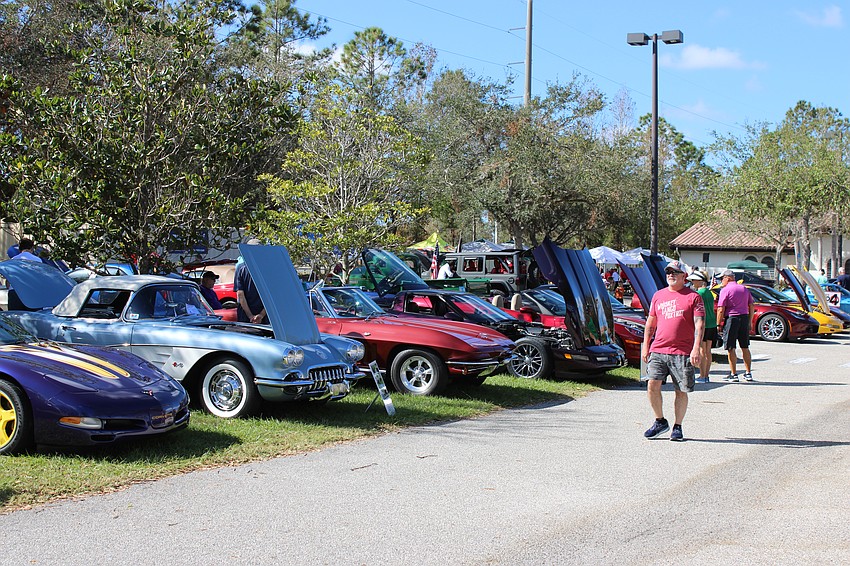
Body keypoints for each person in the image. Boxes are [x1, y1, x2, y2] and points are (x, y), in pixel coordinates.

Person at [641, 260, 705, 441]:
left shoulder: (693, 297)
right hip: (659, 349)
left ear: (684, 276)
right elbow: (651, 323)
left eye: (675, 272)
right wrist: (646, 345)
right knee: (652, 384)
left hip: (682, 351)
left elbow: (699, 324)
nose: (671, 275)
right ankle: (660, 421)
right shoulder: (658, 296)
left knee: (681, 390)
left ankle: (678, 426)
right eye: (668, 272)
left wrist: (696, 348)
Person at [716, 269, 755, 382]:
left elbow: (720, 308)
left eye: (722, 278)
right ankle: (748, 373)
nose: (721, 281)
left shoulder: (725, 290)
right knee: (745, 346)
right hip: (744, 318)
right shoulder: (744, 288)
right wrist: (749, 321)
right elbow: (751, 305)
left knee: (730, 347)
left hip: (732, 318)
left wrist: (718, 324)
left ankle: (734, 374)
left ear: (727, 278)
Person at [687, 270, 717, 384]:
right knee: (708, 351)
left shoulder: (699, 293)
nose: (693, 282)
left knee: (702, 350)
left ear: (700, 281)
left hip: (704, 323)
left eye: (694, 280)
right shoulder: (709, 292)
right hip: (712, 323)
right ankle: (706, 375)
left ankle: (702, 375)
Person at [234, 239, 267, 323]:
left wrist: (250, 316)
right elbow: (272, 296)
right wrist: (261, 315)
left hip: (245, 317)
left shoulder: (240, 268)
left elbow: (240, 294)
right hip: (265, 317)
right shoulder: (268, 269)